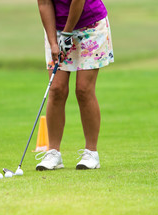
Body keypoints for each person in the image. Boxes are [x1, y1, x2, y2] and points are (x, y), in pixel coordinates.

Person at [35, 0, 114, 171]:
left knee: (84, 89)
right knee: (56, 89)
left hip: (90, 25)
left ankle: (91, 153)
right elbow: (44, 4)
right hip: (56, 29)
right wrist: (54, 42)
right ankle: (53, 153)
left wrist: (67, 33)